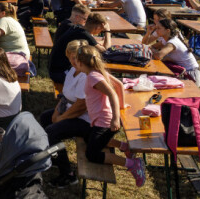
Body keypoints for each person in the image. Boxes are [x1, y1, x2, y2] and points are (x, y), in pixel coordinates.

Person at [73, 45, 146, 187]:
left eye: (75, 60)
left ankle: (132, 164)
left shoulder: (93, 77)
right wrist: (121, 105)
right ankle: (125, 147)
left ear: (81, 63)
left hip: (105, 122)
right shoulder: (97, 72)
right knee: (88, 138)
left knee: (92, 154)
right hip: (101, 120)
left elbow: (112, 93)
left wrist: (115, 118)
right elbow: (119, 84)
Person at [39, 40, 91, 188]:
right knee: (45, 118)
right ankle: (55, 157)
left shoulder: (85, 76)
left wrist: (61, 118)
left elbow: (81, 106)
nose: (74, 61)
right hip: (72, 111)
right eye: (71, 57)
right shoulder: (72, 70)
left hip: (85, 120)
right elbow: (64, 96)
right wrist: (56, 113)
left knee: (52, 131)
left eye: (77, 57)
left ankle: (68, 175)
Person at [48, 12, 112, 88]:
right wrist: (107, 31)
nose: (100, 32)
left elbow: (93, 43)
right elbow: (105, 50)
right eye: (101, 30)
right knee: (92, 75)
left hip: (55, 69)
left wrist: (100, 43)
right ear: (98, 27)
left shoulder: (78, 28)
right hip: (60, 73)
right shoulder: (84, 34)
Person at [150, 18, 200, 86]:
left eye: (158, 28)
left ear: (167, 31)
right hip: (182, 72)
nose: (156, 30)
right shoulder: (166, 40)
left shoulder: (172, 42)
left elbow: (158, 56)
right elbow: (152, 47)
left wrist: (154, 51)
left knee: (155, 78)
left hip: (190, 76)